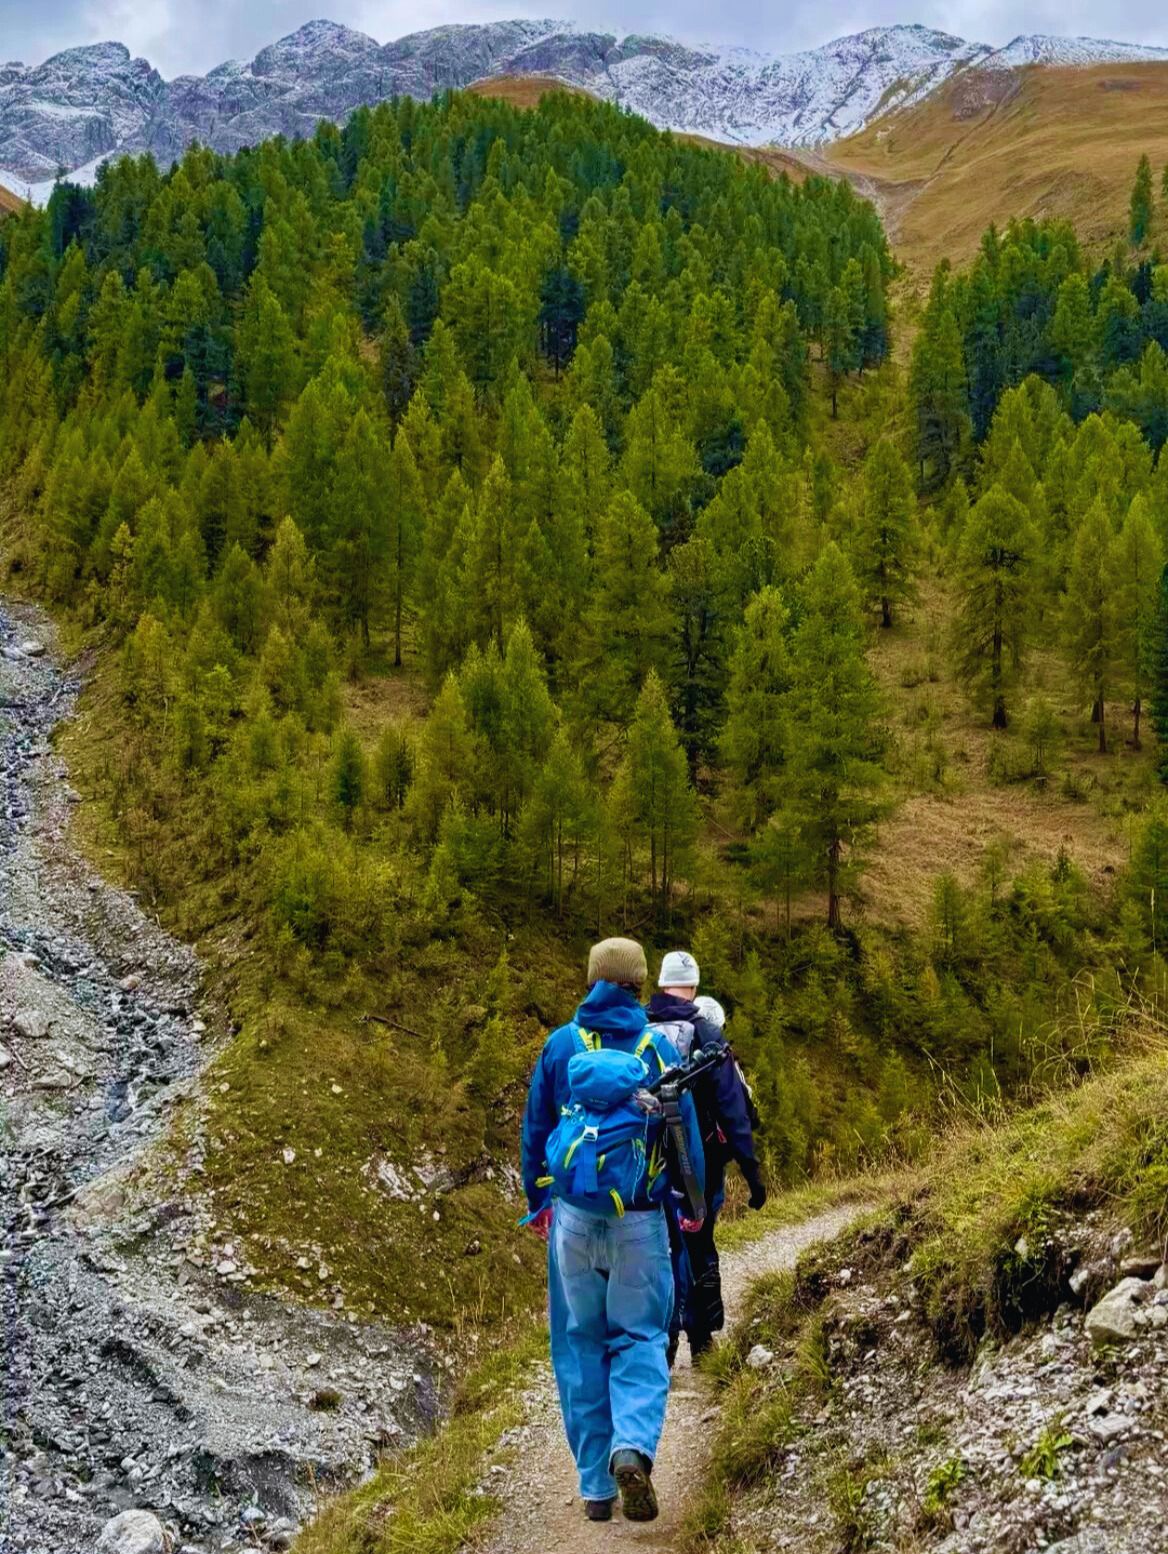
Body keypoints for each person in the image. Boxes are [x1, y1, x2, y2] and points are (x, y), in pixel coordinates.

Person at [521, 937, 705, 1524]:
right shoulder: (657, 1048)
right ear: (639, 983)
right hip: (641, 1221)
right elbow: (687, 1137)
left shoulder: (561, 1045)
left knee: (579, 1347)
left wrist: (539, 1198)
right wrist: (695, 1204)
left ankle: (595, 1489)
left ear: (594, 979)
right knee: (641, 1337)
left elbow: (536, 1129)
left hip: (572, 1217)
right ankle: (632, 1447)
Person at [647, 951, 766, 1361]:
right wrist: (752, 1171)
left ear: (662, 983)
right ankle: (701, 1341)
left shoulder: (637, 1026)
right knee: (697, 1244)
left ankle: (663, 1338)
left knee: (659, 1246)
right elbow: (734, 1108)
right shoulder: (707, 1031)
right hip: (701, 1163)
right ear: (694, 987)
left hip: (645, 1163)